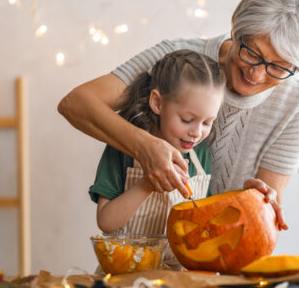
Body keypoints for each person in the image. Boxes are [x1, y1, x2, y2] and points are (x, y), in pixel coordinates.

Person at [59, 0, 299, 230]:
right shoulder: (177, 61)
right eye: (253, 53)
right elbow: (76, 104)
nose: (257, 75)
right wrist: (145, 147)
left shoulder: (295, 103)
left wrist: (256, 199)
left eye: (279, 67)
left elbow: (261, 224)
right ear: (236, 28)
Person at [88, 49, 225, 236]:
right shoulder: (123, 147)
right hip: (127, 264)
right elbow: (106, 222)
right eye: (186, 119)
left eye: (207, 122)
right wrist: (148, 184)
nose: (196, 133)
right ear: (158, 103)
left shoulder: (201, 154)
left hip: (181, 266)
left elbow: (205, 223)